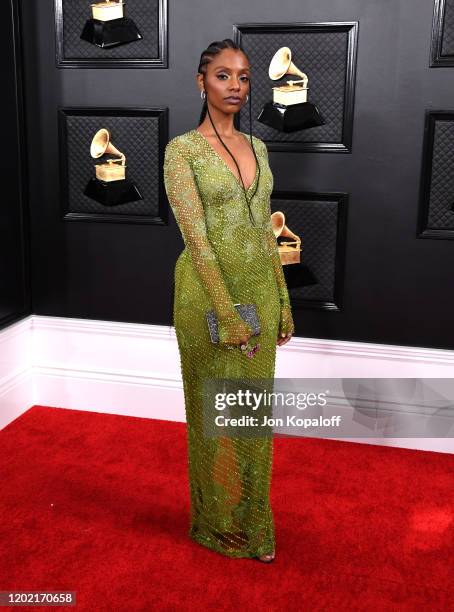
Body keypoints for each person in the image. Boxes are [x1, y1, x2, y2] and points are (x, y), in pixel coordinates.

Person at [163, 38, 294, 563]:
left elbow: (266, 230)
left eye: (242, 77)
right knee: (214, 415)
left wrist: (281, 300)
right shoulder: (182, 151)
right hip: (205, 296)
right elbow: (197, 240)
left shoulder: (259, 148)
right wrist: (226, 313)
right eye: (223, 76)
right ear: (201, 82)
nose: (235, 86)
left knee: (250, 417)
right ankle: (217, 525)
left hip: (260, 288)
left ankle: (252, 520)